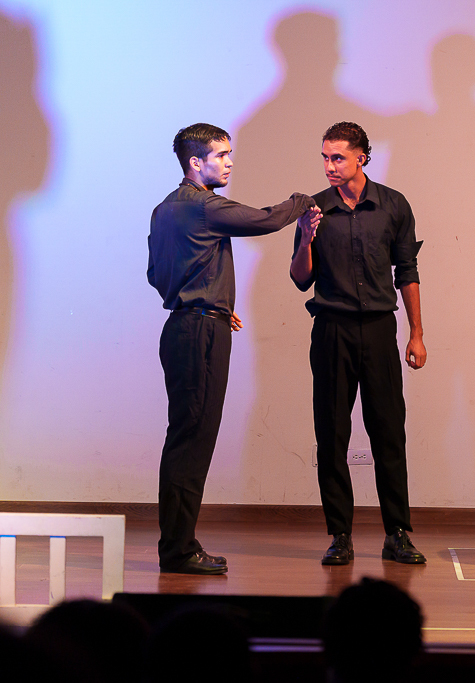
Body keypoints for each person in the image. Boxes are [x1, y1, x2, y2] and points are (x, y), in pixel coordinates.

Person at [148, 123, 316, 575]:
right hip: (200, 333)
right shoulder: (204, 206)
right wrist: (301, 202)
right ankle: (179, 551)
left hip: (186, 327)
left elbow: (157, 275)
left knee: (185, 437)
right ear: (194, 163)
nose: (229, 161)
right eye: (221, 155)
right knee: (192, 441)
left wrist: (214, 301)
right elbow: (264, 220)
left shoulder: (164, 210)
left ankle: (178, 546)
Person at [291, 121, 427, 566]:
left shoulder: (393, 205)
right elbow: (300, 279)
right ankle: (340, 535)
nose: (329, 166)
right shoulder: (315, 209)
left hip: (378, 330)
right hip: (331, 329)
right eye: (325, 157)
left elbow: (406, 270)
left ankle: (398, 533)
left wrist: (417, 333)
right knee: (331, 433)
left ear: (361, 158)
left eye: (338, 158)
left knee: (389, 430)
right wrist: (306, 240)